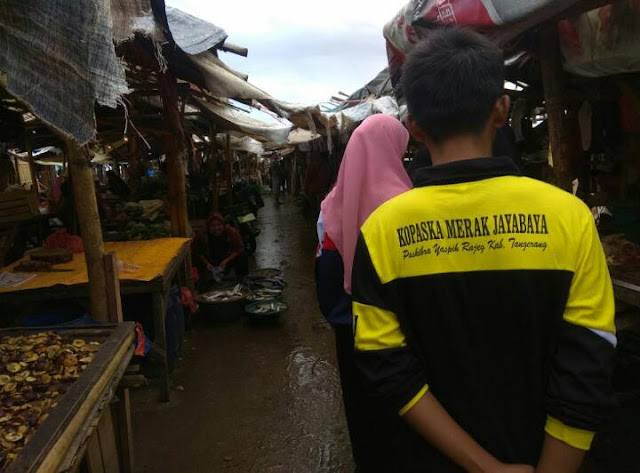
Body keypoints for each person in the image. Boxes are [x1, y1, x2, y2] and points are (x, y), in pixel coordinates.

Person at [351, 27, 615, 473]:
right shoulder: (570, 218)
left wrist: (483, 467)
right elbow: (588, 363)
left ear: (412, 126)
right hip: (545, 455)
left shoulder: (380, 233)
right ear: (502, 109)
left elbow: (385, 367)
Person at [316, 114, 412, 472]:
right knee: (400, 397)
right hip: (399, 327)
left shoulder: (330, 206)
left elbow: (323, 271)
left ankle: (366, 459)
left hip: (347, 324)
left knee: (359, 400)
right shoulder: (406, 202)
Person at [194, 212, 248, 286]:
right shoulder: (202, 236)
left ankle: (242, 280)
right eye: (213, 226)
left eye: (219, 225)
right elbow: (198, 252)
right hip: (211, 260)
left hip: (227, 258)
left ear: (223, 225)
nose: (216, 228)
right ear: (208, 227)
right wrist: (207, 263)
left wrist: (226, 261)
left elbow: (239, 249)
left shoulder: (231, 232)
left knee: (243, 256)